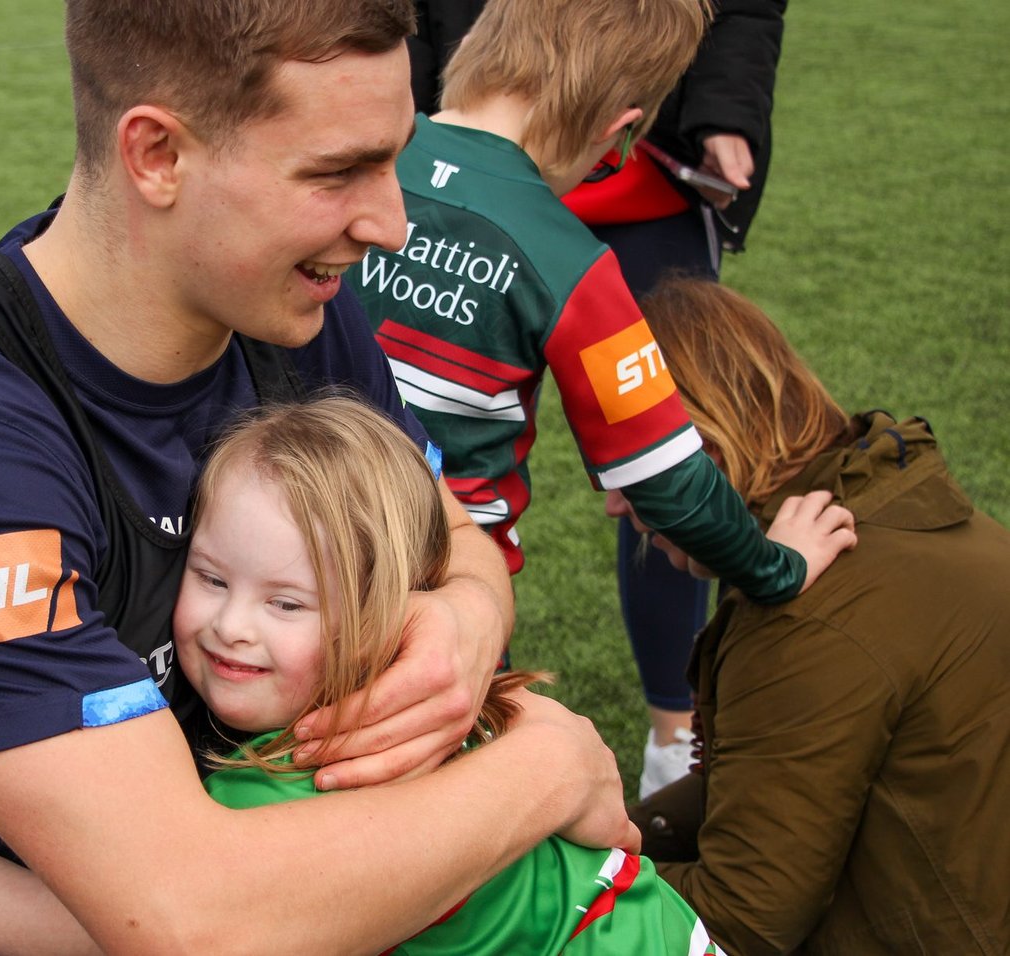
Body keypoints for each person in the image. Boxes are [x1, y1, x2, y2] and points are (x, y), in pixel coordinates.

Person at [0, 2, 642, 952]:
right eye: (336, 172)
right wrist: (547, 774)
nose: (392, 225)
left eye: (393, 158)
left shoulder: (287, 313)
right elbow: (192, 923)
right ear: (157, 154)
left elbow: (450, 538)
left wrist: (465, 622)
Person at [0, 396, 733, 954]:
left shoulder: (284, 791)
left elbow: (82, 929)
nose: (230, 626)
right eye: (210, 578)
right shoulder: (463, 700)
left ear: (384, 609)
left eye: (288, 604)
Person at [346, 0, 849, 661]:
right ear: (620, 127)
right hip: (444, 597)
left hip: (281, 551)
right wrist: (779, 567)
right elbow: (668, 480)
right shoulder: (572, 264)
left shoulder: (349, 159)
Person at [609, 277, 1010, 954]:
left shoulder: (807, 617)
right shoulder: (892, 503)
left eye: (625, 468)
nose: (617, 504)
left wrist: (561, 884)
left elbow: (739, 925)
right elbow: (768, 772)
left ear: (703, 453)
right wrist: (617, 830)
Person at [560, 0, 788, 798]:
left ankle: (671, 742)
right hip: (484, 158)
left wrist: (726, 106)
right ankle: (441, 722)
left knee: (663, 459)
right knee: (440, 447)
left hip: (649, 188)